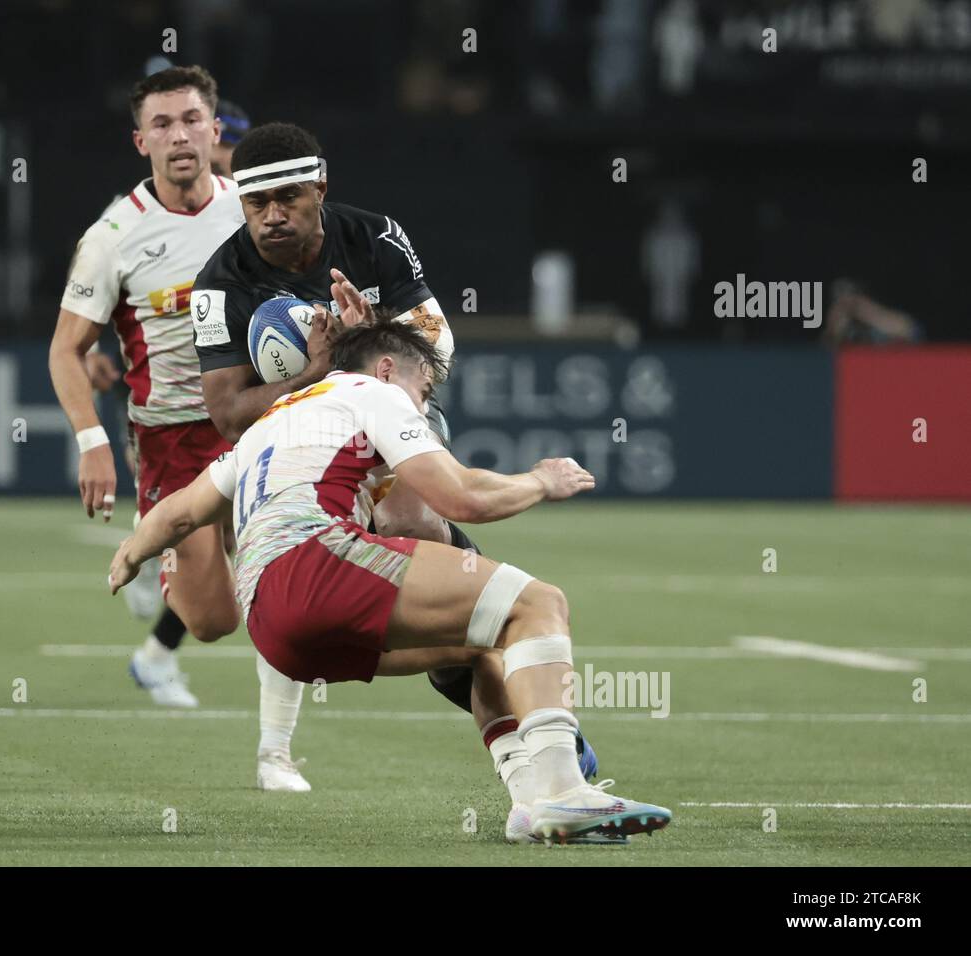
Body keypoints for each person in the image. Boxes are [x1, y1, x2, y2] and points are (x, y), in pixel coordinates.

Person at [190, 121, 607, 837]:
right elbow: (228, 413)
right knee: (250, 597)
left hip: (388, 413)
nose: (273, 216)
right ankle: (535, 739)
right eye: (257, 204)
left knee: (424, 535)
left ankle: (528, 755)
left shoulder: (376, 237)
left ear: (321, 189)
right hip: (298, 443)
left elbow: (436, 348)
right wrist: (322, 370)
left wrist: (370, 335)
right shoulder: (219, 282)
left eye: (289, 198)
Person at [111, 319, 672, 844]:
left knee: (483, 646)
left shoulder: (272, 421)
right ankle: (566, 789)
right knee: (539, 603)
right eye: (423, 389)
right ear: (385, 369)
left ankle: (530, 800)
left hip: (272, 628)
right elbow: (463, 498)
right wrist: (540, 481)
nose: (423, 407)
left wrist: (130, 555)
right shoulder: (370, 392)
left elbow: (178, 514)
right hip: (317, 565)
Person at [47, 65, 308, 790]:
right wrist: (92, 442)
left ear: (215, 130)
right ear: (142, 142)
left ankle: (276, 754)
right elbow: (66, 348)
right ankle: (168, 551)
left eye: (192, 120)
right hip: (172, 440)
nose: (180, 135)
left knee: (285, 583)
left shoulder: (255, 211)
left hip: (258, 419)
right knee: (214, 619)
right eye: (161, 124)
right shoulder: (113, 236)